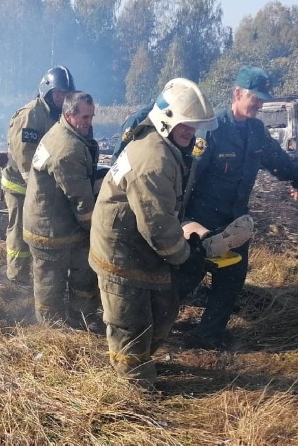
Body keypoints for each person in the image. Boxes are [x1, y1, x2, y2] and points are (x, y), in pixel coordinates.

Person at [88, 78, 218, 389]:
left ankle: (142, 361)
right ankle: (134, 391)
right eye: (186, 125)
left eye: (194, 126)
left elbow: (160, 217)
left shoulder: (165, 145)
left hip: (141, 246)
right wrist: (184, 257)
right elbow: (157, 224)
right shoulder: (154, 159)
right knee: (129, 326)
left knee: (163, 312)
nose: (191, 132)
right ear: (167, 120)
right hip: (120, 252)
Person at [178, 65, 298, 350]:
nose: (259, 104)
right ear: (237, 93)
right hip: (203, 221)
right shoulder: (212, 129)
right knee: (186, 278)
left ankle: (208, 336)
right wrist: (182, 220)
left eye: (263, 99)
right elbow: (189, 176)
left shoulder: (257, 130)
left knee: (231, 279)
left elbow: (276, 159)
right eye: (255, 97)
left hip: (236, 222)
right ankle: (153, 328)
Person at [23, 91, 103, 332]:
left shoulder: (63, 132)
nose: (89, 122)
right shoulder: (67, 149)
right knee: (50, 281)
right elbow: (81, 200)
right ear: (69, 115)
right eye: (85, 117)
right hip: (48, 229)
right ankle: (52, 329)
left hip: (61, 223)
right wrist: (96, 230)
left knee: (83, 270)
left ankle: (81, 317)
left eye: (92, 116)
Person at [0, 65, 75, 284]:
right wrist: (37, 188)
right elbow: (25, 156)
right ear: (47, 91)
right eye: (59, 93)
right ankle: (17, 276)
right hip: (20, 184)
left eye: (66, 94)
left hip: (42, 184)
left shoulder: (61, 115)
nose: (62, 98)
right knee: (20, 229)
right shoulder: (30, 115)